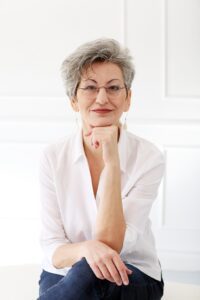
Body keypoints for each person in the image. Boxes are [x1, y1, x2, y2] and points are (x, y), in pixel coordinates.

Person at [38, 38, 165, 300]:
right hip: (64, 272)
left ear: (128, 98)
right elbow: (53, 247)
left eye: (114, 87)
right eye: (90, 88)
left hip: (133, 272)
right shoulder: (52, 156)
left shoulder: (149, 157)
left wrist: (112, 161)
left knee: (89, 272)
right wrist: (86, 248)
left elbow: (113, 244)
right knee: (82, 272)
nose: (102, 98)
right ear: (74, 100)